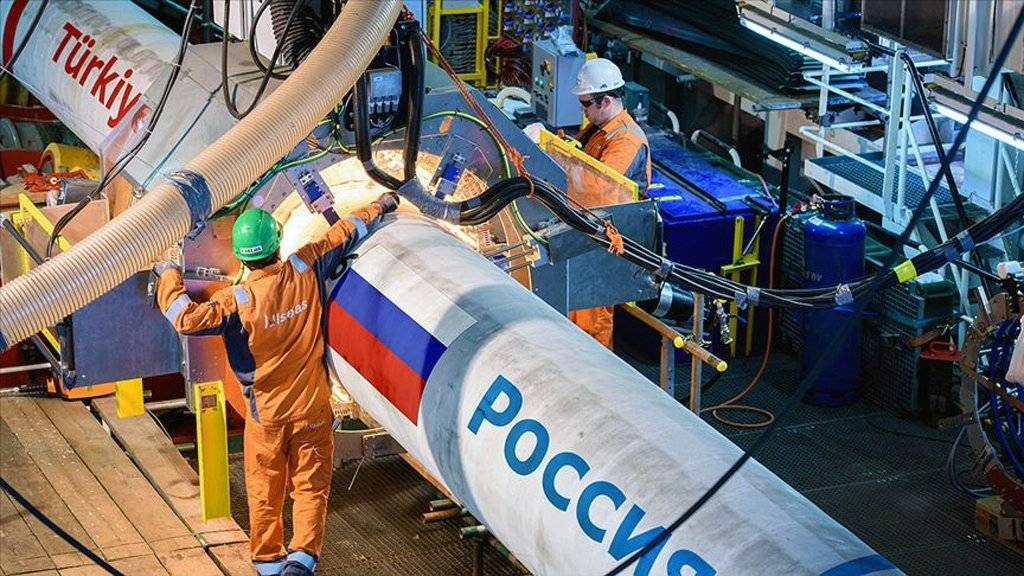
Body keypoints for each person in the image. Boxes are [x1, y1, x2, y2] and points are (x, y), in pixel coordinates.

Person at [153, 193, 399, 576]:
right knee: (311, 488)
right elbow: (346, 231)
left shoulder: (236, 302)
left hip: (267, 416)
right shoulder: (306, 266)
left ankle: (268, 563)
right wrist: (381, 205)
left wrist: (168, 270)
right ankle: (303, 559)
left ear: (241, 258)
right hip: (312, 409)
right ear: (277, 243)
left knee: (264, 491)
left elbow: (184, 318)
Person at [568, 57, 652, 349]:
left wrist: (558, 165)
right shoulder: (598, 128)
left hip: (605, 244)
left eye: (586, 104)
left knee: (590, 326)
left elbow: (598, 188)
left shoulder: (626, 139)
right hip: (587, 232)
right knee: (574, 317)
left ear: (605, 101)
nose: (583, 110)